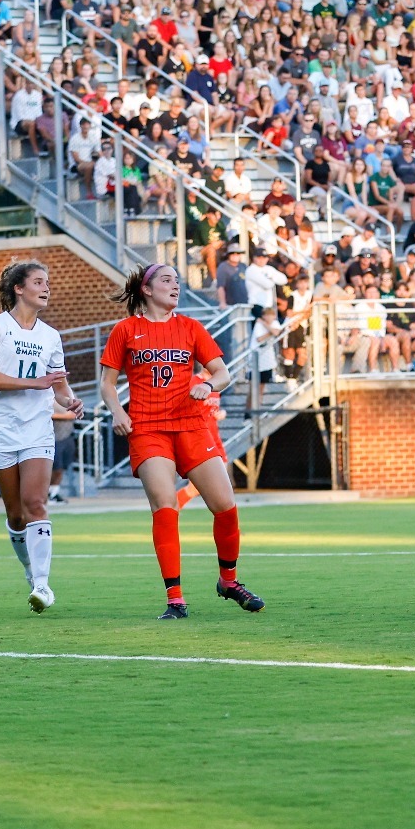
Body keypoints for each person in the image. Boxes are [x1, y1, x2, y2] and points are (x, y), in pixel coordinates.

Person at [99, 262, 264, 619]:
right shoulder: (125, 330)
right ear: (146, 289)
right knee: (165, 504)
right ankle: (175, 598)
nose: (175, 286)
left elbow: (222, 373)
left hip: (190, 424)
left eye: (177, 281)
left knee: (225, 504)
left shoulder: (191, 327)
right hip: (147, 427)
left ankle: (229, 582)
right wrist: (117, 412)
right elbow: (107, 383)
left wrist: (207, 385)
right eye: (166, 280)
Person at [0, 260, 81, 612]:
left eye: (48, 282)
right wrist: (37, 384)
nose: (46, 287)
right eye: (38, 282)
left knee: (36, 504)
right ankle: (30, 570)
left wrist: (70, 400)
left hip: (37, 429)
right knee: (16, 515)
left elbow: (59, 384)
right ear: (19, 288)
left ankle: (44, 586)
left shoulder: (51, 336)